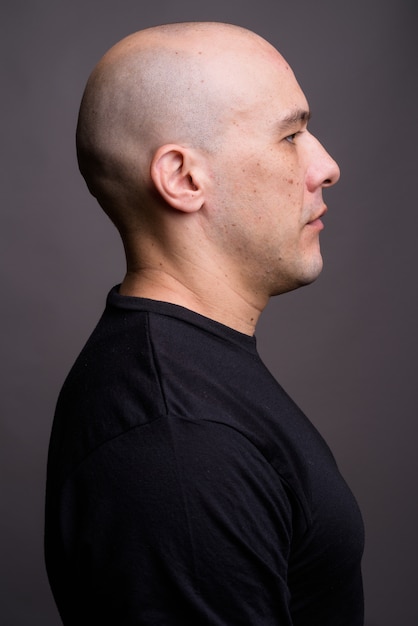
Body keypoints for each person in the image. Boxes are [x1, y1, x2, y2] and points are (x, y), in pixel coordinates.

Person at [45, 21, 364, 625]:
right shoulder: (178, 445)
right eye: (291, 135)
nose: (327, 166)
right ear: (184, 179)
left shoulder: (186, 381)